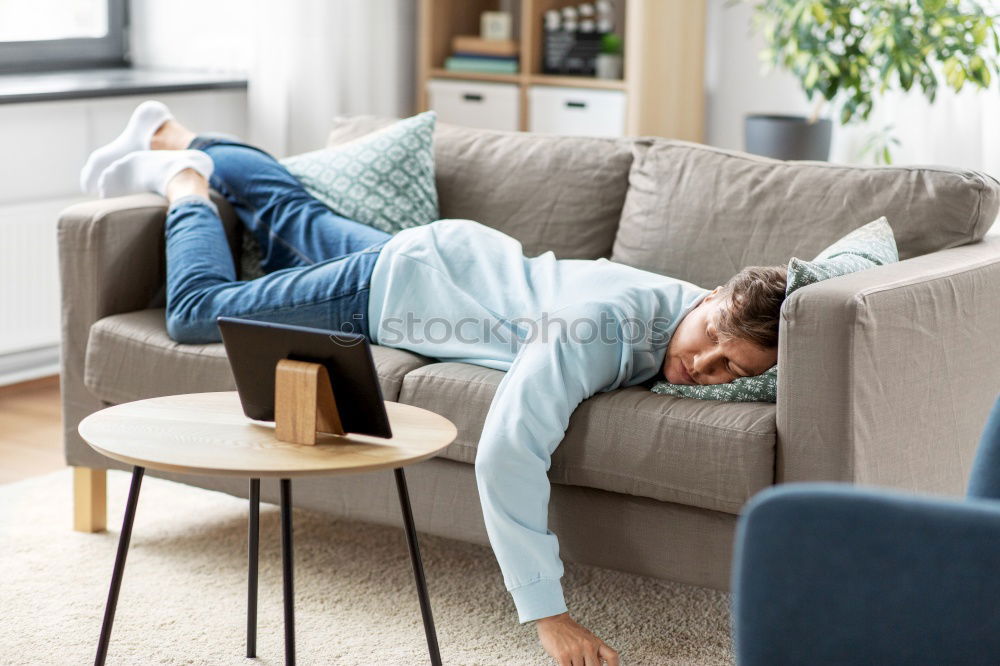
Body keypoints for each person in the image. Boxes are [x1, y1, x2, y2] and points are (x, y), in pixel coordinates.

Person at [82, 101, 787, 666]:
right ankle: (185, 181)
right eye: (710, 345)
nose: (705, 370)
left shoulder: (704, 307)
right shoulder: (601, 328)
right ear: (708, 298)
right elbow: (509, 446)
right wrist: (549, 616)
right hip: (390, 291)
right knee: (197, 311)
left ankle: (170, 130)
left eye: (732, 373)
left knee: (299, 221)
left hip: (445, 256)